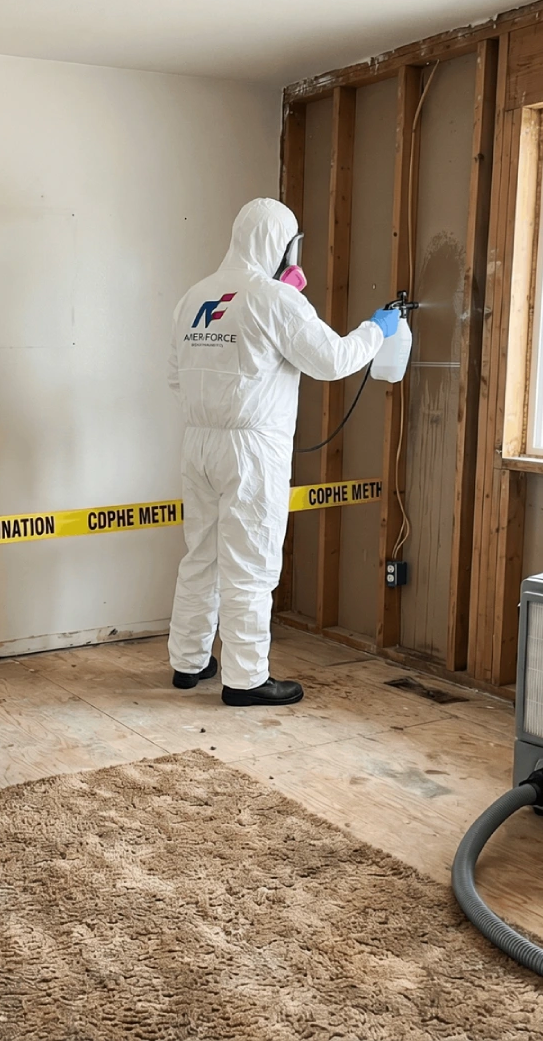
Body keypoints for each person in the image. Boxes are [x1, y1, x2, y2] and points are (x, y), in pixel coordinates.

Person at [166, 197, 399, 707]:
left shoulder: (195, 296)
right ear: (281, 244)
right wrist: (375, 330)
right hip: (252, 450)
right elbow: (333, 360)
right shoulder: (275, 300)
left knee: (201, 555)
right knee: (250, 564)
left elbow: (175, 376)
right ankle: (246, 679)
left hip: (198, 443)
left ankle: (189, 662)